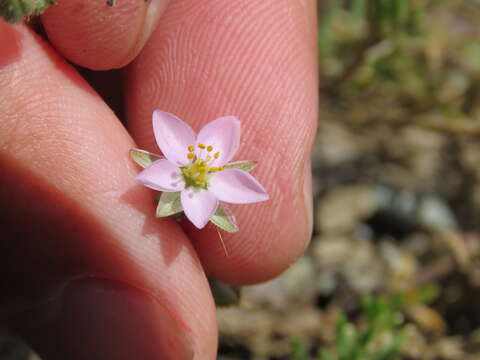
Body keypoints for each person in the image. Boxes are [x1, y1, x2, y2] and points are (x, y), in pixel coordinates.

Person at [0, 0, 317, 358]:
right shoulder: (180, 169)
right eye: (199, 166)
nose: (199, 168)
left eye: (203, 167)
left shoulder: (198, 182)